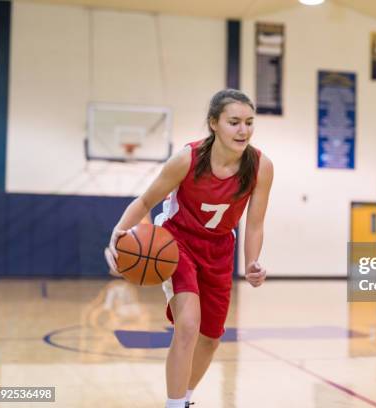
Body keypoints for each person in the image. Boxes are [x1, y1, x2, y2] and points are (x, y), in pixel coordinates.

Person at [104, 89, 274, 408]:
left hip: (220, 250)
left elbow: (254, 223)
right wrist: (118, 234)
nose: (243, 130)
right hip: (178, 241)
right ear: (213, 123)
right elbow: (145, 201)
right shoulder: (187, 159)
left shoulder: (261, 166)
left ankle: (186, 400)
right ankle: (173, 405)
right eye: (234, 122)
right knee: (187, 325)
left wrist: (253, 262)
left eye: (249, 122)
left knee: (211, 338)